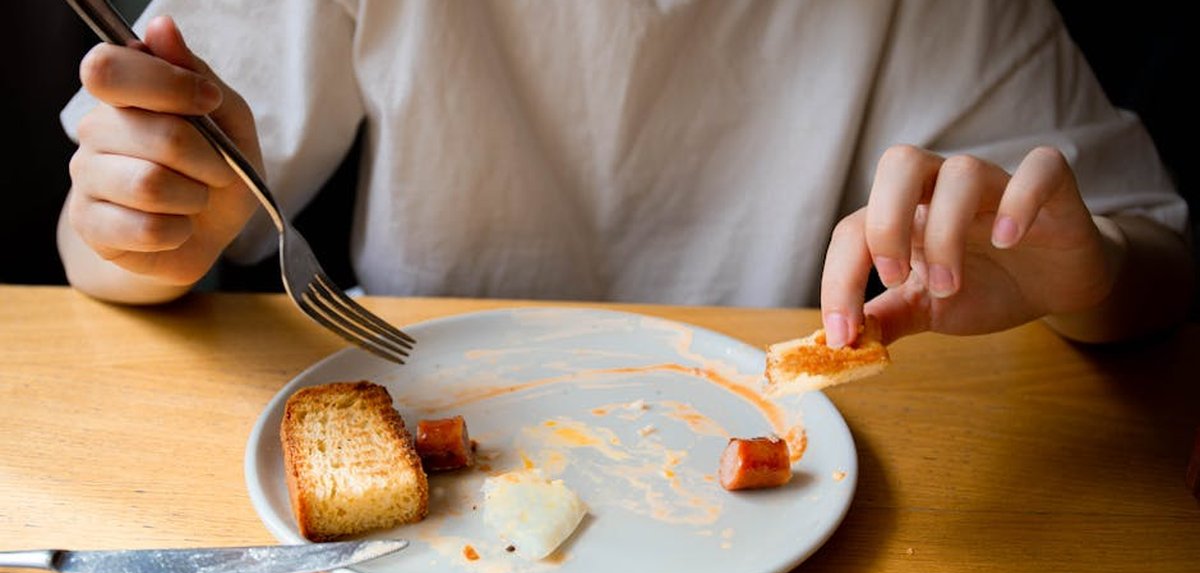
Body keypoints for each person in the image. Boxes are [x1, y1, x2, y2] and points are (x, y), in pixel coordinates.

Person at [57, 0, 1193, 349]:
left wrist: (1081, 277)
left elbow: (1160, 262)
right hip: (433, 434)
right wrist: (147, 226)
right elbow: (100, 236)